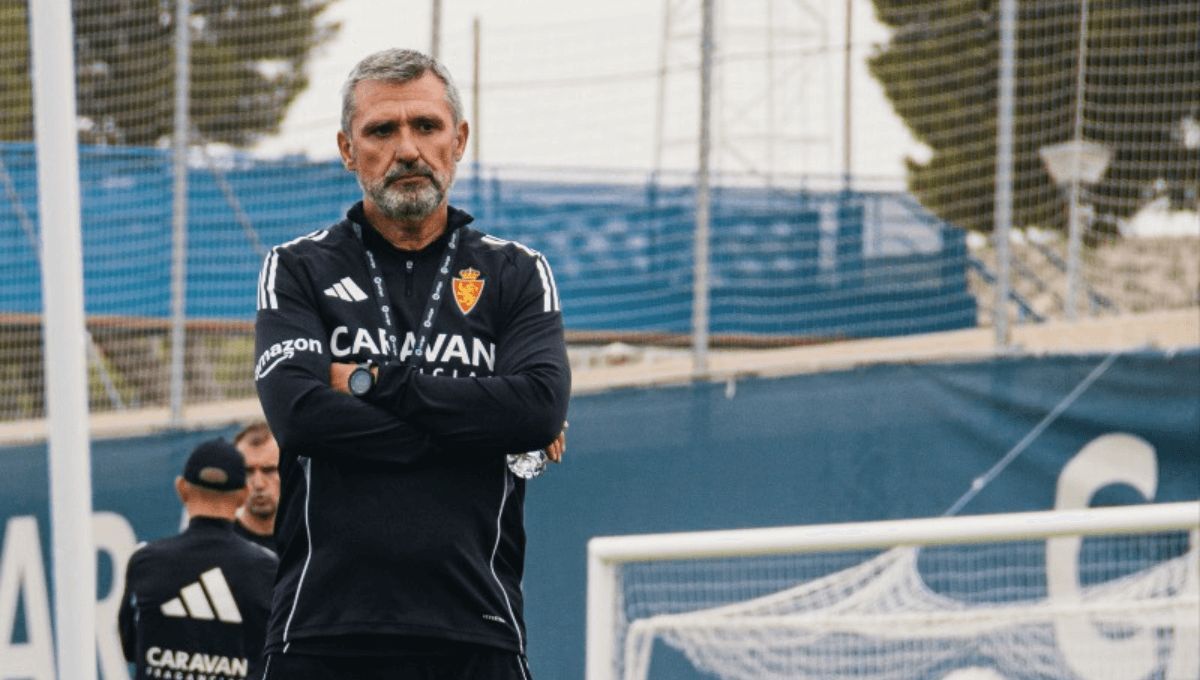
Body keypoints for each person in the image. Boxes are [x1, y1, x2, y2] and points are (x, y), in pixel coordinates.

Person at [253, 48, 570, 679]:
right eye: (382, 130)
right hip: (322, 629)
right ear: (348, 149)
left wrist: (368, 381)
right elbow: (300, 419)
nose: (407, 148)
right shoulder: (298, 268)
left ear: (460, 140)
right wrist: (476, 423)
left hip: (476, 629)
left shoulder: (515, 271)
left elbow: (535, 409)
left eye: (426, 126)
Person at [117, 438, 278, 679]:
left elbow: (130, 648)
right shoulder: (266, 569)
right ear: (243, 496)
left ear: (182, 489)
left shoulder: (145, 562)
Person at [232, 419, 280, 553]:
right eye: (248, 471)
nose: (259, 484)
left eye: (269, 470)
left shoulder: (308, 541)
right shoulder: (221, 544)